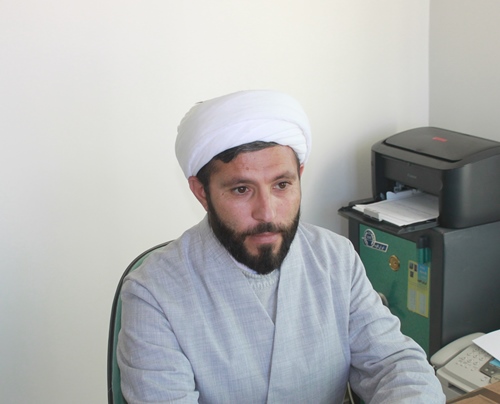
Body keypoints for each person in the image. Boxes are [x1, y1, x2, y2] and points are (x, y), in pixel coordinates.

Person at [117, 90, 445, 403]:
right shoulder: (153, 292)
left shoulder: (336, 259)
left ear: (300, 176)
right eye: (241, 189)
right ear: (202, 192)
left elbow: (393, 363)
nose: (267, 213)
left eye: (282, 185)